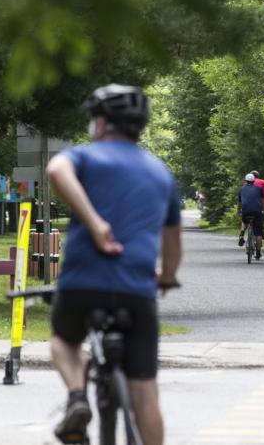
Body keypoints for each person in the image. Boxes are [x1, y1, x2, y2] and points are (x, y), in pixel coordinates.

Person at [46, 84, 182, 445]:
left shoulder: (86, 157)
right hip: (136, 292)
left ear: (102, 123)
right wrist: (165, 277)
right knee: (146, 393)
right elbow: (173, 244)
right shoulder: (160, 173)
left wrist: (94, 223)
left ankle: (77, 397)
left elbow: (56, 171)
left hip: (81, 283)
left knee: (63, 339)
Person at [238, 173, 264, 259]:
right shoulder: (259, 189)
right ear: (254, 181)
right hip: (257, 212)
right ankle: (258, 252)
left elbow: (239, 202)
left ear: (245, 181)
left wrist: (238, 211)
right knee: (259, 234)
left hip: (246, 211)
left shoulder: (241, 189)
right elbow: (262, 201)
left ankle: (242, 234)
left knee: (244, 221)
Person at [250, 170, 264, 239]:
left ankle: (243, 231)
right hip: (263, 204)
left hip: (250, 204)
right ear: (258, 176)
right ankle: (263, 228)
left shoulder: (248, 183)